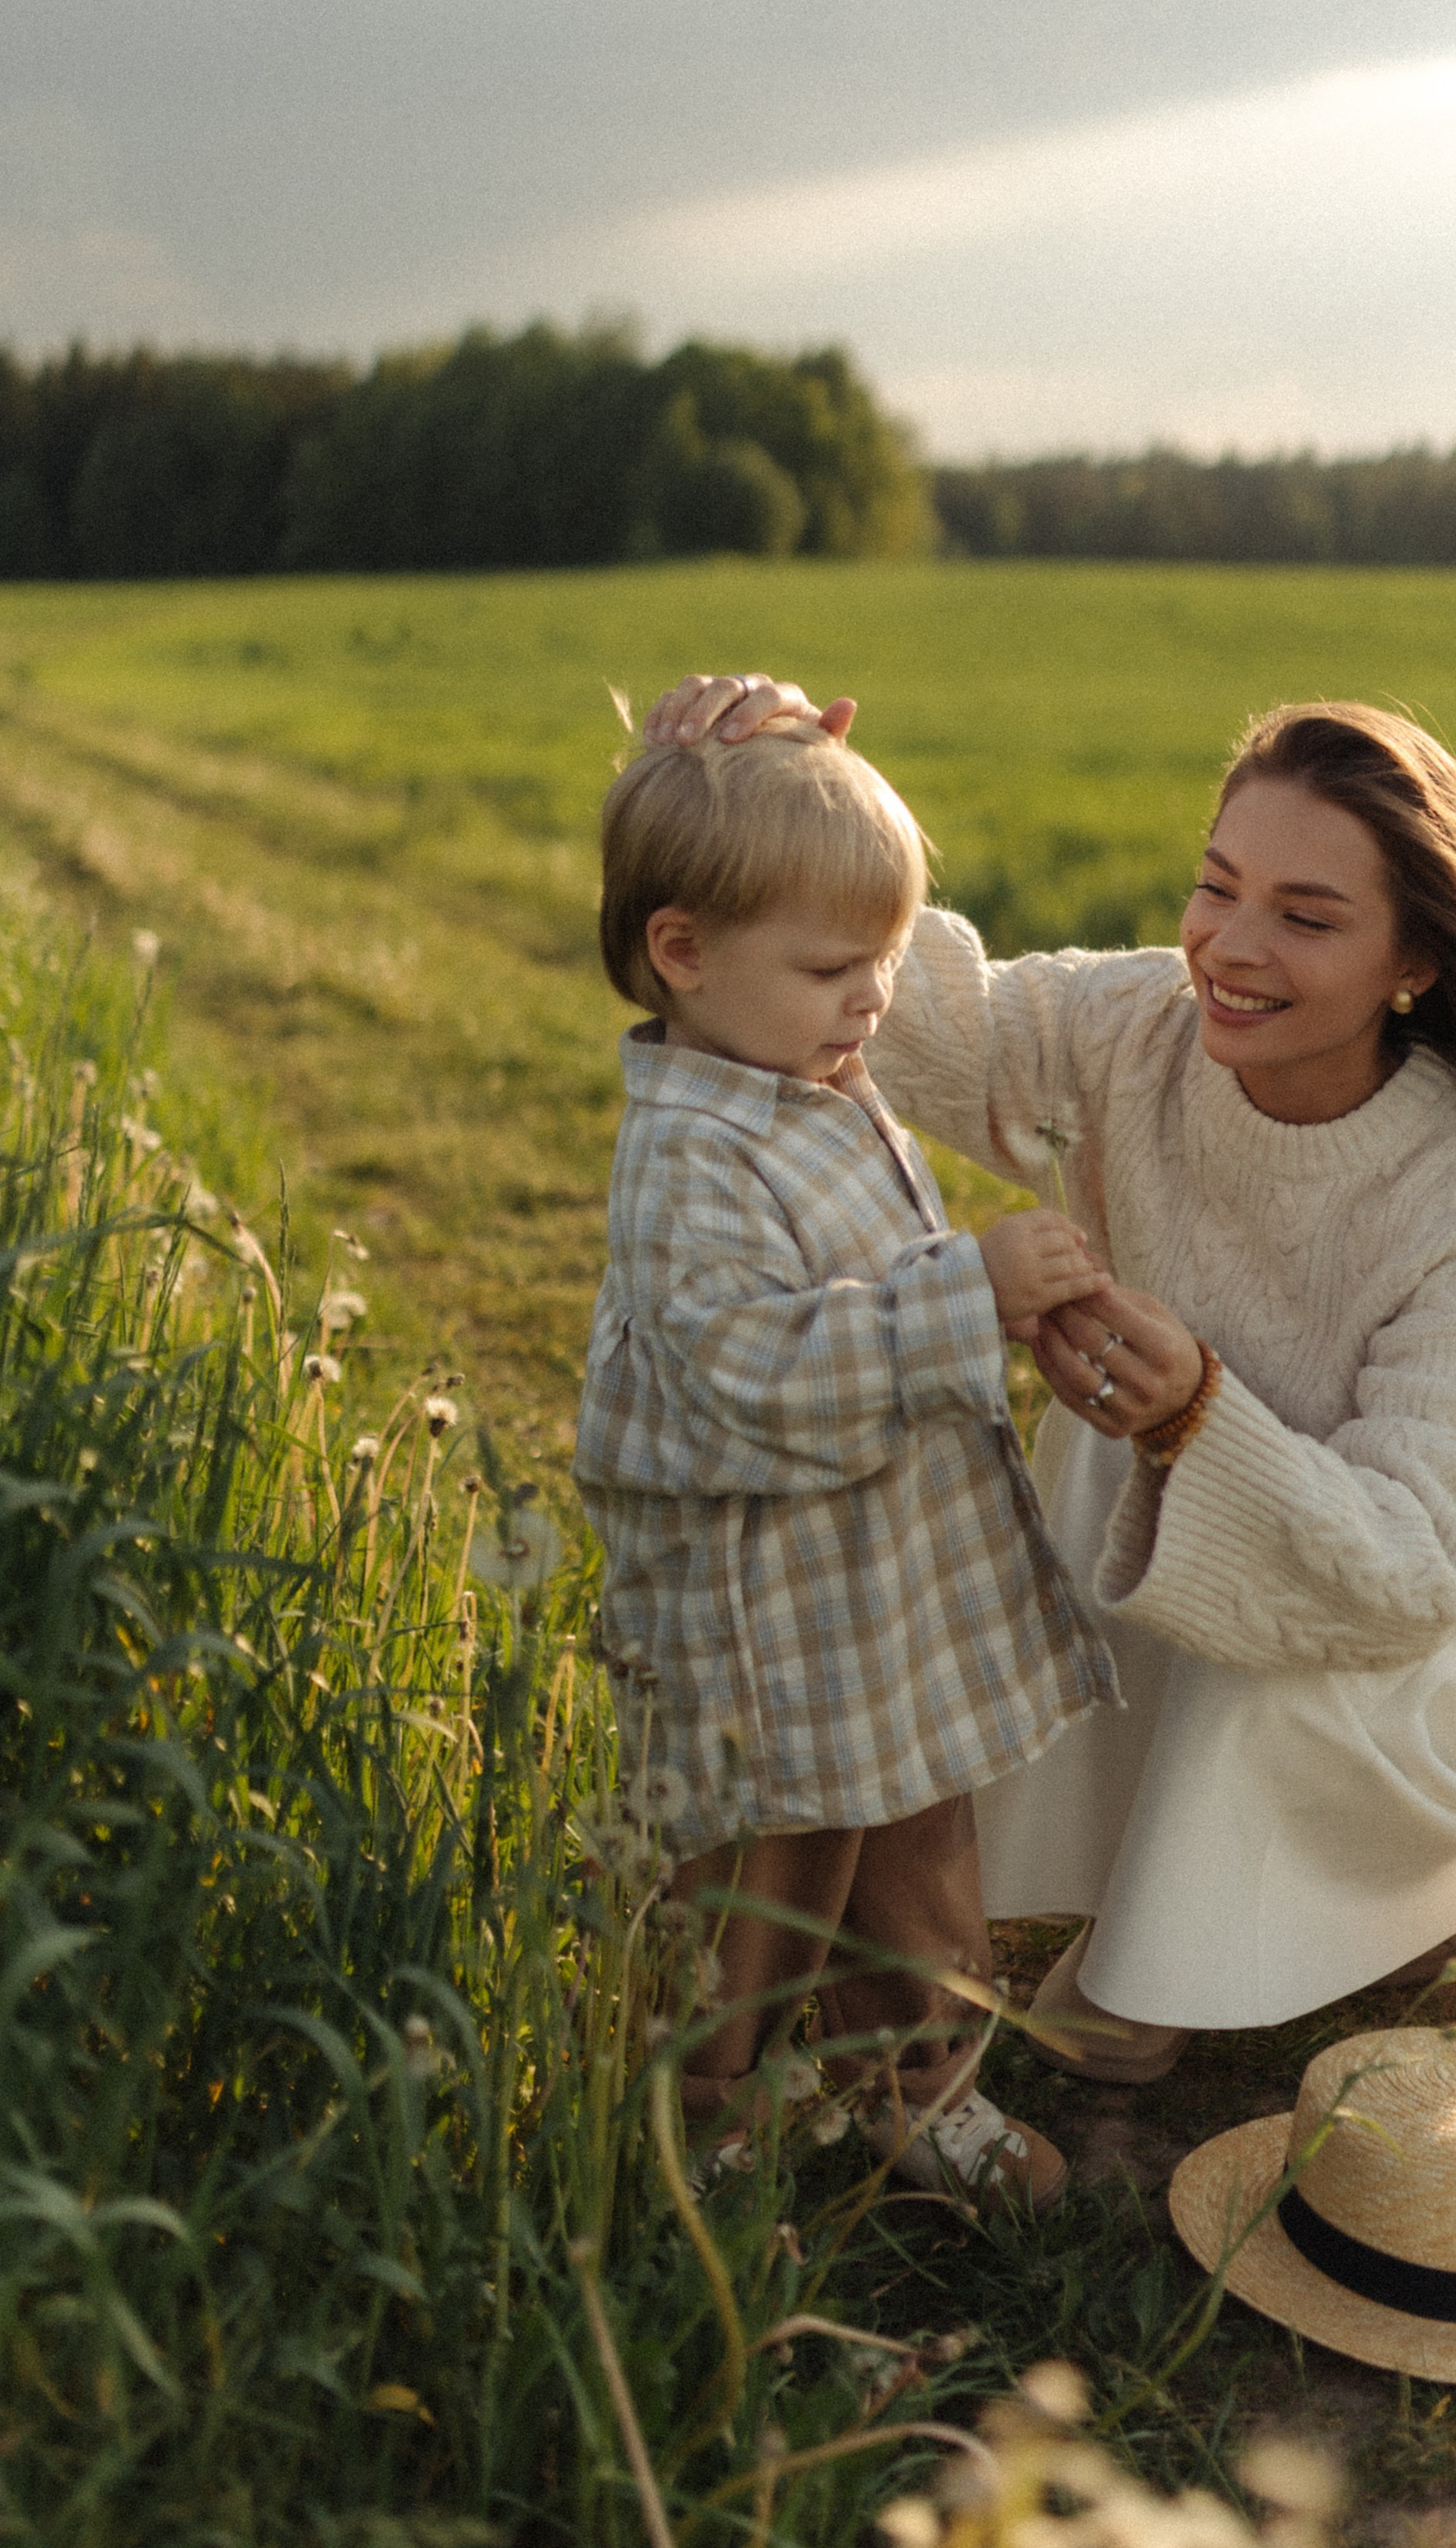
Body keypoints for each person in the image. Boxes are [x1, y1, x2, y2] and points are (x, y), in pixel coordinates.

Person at [644, 673, 1456, 2081]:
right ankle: (1142, 1886)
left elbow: (1409, 1567)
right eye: (1217, 886)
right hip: (1234, 1528)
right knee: (1088, 1466)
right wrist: (786, 774)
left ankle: (1241, 1937)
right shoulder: (1141, 1030)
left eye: (1306, 916)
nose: (1228, 945)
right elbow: (928, 1020)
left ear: (1415, 961)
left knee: (1203, 1486)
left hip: (1400, 1636)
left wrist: (1197, 1416)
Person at [574, 723, 1117, 2205]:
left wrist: (993, 1302)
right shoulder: (691, 1154)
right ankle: (713, 2129)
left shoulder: (805, 1066)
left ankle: (920, 2087)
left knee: (924, 1850)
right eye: (834, 968)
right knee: (762, 1880)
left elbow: (854, 1282)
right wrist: (966, 1296)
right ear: (682, 950)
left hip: (877, 1593)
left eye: (878, 960)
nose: (873, 996)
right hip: (767, 1629)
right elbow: (751, 1373)